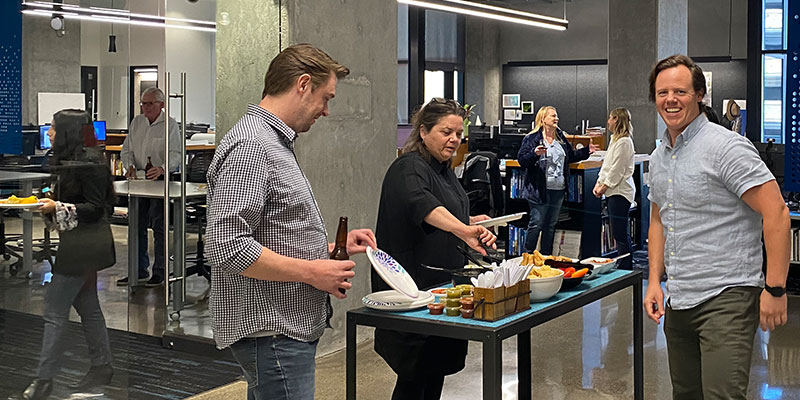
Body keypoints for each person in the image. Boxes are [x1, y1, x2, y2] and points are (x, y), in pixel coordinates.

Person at [205, 43, 377, 400]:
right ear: (302, 84)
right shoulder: (253, 146)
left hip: (282, 330)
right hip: (272, 331)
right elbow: (226, 246)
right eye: (325, 98)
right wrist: (312, 272)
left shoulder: (273, 143)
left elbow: (269, 234)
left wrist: (328, 251)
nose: (327, 111)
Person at [643, 54, 790, 400]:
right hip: (679, 299)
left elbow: (777, 213)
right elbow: (658, 220)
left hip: (727, 296)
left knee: (721, 395)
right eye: (662, 92)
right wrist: (653, 281)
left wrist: (776, 289)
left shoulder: (727, 148)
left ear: (699, 95)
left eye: (680, 91)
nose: (670, 100)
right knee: (687, 394)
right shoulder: (659, 156)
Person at [371, 98, 496, 400]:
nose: (455, 139)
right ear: (423, 132)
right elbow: (423, 206)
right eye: (446, 132)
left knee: (433, 375)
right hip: (414, 292)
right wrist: (464, 230)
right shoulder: (408, 167)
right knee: (414, 380)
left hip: (441, 291)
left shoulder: (443, 169)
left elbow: (444, 210)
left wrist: (469, 221)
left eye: (458, 133)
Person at [14, 110, 116, 400]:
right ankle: (101, 367)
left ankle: (43, 381)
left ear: (68, 132)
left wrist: (56, 206)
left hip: (85, 245)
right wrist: (52, 201)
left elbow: (97, 208)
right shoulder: (76, 161)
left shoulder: (90, 163)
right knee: (88, 308)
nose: (49, 133)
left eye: (54, 129)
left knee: (55, 310)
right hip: (80, 243)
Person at [116, 87, 181, 287]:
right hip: (138, 182)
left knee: (159, 226)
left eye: (150, 103)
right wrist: (130, 166)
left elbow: (176, 154)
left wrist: (162, 169)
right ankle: (138, 270)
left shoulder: (169, 125)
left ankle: (160, 271)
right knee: (136, 226)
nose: (145, 107)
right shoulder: (137, 123)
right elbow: (126, 150)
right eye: (143, 103)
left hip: (159, 183)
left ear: (161, 104)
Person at [517, 106, 597, 255]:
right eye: (553, 116)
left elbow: (571, 156)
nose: (556, 118)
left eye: (557, 116)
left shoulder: (560, 136)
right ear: (543, 119)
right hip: (539, 189)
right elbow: (522, 160)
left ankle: (546, 257)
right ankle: (527, 256)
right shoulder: (532, 138)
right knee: (536, 223)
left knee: (550, 225)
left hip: (558, 189)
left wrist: (586, 151)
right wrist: (535, 154)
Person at [592, 108, 635, 269]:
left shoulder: (624, 142)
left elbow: (617, 169)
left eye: (610, 118)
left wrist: (604, 186)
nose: (608, 121)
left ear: (616, 119)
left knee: (620, 234)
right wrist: (599, 182)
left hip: (620, 193)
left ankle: (625, 268)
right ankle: (623, 265)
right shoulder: (615, 140)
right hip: (612, 191)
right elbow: (607, 165)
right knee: (618, 233)